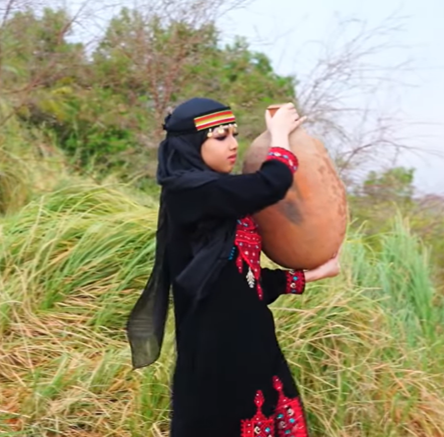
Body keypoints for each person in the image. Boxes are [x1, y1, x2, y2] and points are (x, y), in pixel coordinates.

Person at [126, 97, 341, 436]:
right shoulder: (189, 193)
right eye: (221, 136)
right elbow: (271, 183)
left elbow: (243, 282)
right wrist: (279, 136)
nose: (233, 145)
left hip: (254, 342)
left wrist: (311, 274)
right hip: (217, 350)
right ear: (192, 144)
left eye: (235, 135)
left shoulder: (218, 197)